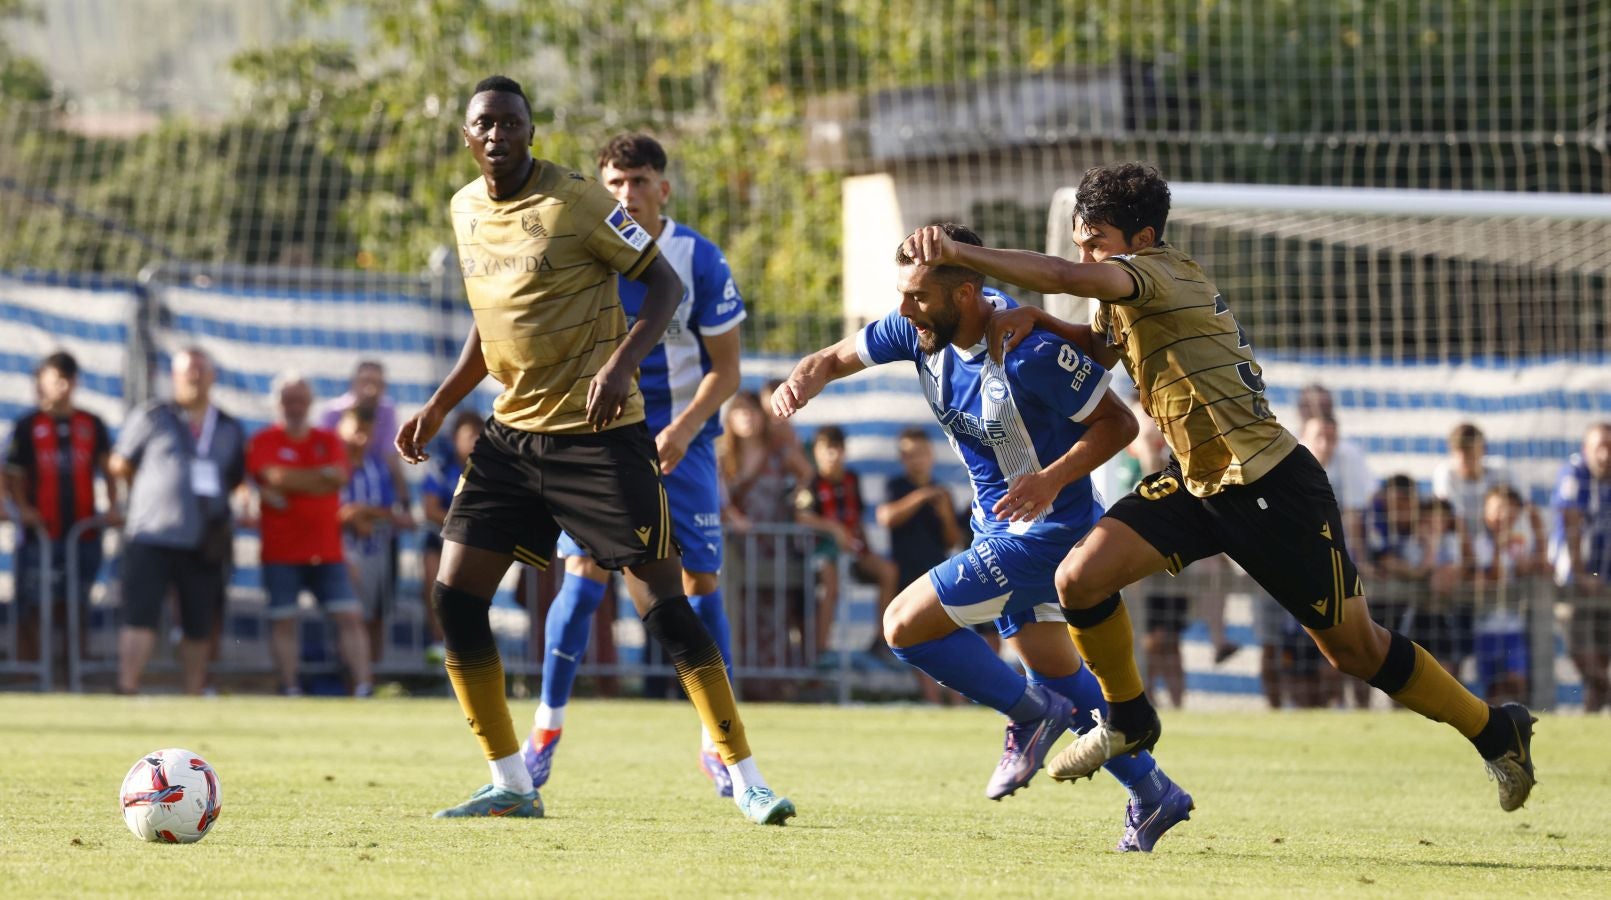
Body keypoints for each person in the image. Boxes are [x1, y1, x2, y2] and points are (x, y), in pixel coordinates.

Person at [908, 162, 1536, 813]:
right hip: (1198, 482)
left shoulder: (1157, 271)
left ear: (1142, 236)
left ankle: (1495, 728)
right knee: (1079, 579)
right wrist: (1044, 326)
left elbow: (1065, 279)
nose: (1083, 256)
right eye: (1078, 242)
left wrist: (959, 253)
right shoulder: (1121, 296)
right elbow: (1098, 346)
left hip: (1269, 485)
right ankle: (1127, 718)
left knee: (1355, 649)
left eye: (1094, 241)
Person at [396, 76, 792, 824]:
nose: (497, 134)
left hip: (601, 440)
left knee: (667, 608)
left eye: (510, 122)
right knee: (455, 599)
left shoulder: (577, 202)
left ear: (529, 130)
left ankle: (744, 775)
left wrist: (616, 366)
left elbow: (664, 285)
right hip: (511, 438)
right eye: (484, 124)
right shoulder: (463, 208)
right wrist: (439, 405)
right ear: (465, 134)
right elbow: (491, 327)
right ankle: (512, 779)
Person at [774, 222, 1191, 853]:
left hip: (1048, 535)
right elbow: (831, 358)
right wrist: (801, 381)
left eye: (917, 295)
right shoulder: (916, 331)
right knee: (1059, 674)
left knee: (903, 626)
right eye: (902, 294)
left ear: (966, 292)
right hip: (997, 528)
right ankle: (1155, 792)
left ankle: (1027, 714)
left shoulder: (1029, 351)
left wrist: (1051, 479)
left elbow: (1118, 424)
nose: (904, 308)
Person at [525, 133, 748, 798]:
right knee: (583, 571)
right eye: (614, 184)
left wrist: (681, 429)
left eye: (638, 182)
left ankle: (716, 741)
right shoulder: (581, 253)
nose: (626, 195)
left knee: (700, 580)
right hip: (600, 445)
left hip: (684, 445)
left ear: (663, 189)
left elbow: (727, 370)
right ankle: (545, 730)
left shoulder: (698, 260)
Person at [108, 348, 247, 696]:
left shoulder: (228, 426)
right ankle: (127, 688)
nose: (195, 377)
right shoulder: (154, 415)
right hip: (152, 533)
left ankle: (193, 692)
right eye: (188, 371)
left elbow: (233, 476)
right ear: (175, 376)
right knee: (139, 615)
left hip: (203, 538)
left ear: (213, 376)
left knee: (199, 622)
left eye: (201, 370)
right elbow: (119, 462)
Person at [246, 372, 372, 697]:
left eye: (300, 400)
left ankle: (363, 686)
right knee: (284, 620)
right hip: (281, 550)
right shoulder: (263, 440)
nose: (295, 406)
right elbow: (270, 476)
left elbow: (337, 477)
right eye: (289, 400)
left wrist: (287, 483)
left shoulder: (328, 440)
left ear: (310, 402)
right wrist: (318, 479)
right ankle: (290, 687)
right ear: (278, 403)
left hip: (327, 549)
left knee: (349, 616)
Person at [2, 351, 120, 668]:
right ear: (42, 382)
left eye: (68, 379)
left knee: (77, 603)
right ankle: (34, 669)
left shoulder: (91, 424)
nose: (62, 387)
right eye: (55, 379)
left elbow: (108, 468)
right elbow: (10, 473)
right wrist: (21, 508)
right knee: (34, 603)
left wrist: (112, 506)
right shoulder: (26, 426)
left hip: (83, 532)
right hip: (40, 533)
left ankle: (73, 669)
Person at [794, 425, 900, 658]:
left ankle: (881, 640)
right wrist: (833, 529)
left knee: (888, 572)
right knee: (831, 586)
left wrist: (864, 546)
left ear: (844, 451)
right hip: (822, 551)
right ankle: (821, 651)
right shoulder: (811, 482)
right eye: (826, 450)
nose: (831, 456)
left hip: (853, 549)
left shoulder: (852, 479)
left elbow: (858, 518)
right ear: (816, 453)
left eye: (836, 449)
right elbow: (801, 515)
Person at [877, 426, 966, 703]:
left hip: (936, 575)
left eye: (920, 453)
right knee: (916, 640)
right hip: (906, 576)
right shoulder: (896, 487)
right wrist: (921, 497)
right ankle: (933, 702)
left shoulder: (943, 493)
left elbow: (953, 539)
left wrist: (945, 514)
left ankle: (958, 701)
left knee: (947, 639)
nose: (916, 460)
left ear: (931, 455)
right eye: (909, 455)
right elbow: (886, 517)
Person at [337, 406, 412, 670]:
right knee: (347, 617)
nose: (361, 439)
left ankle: (372, 675)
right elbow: (325, 509)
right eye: (356, 431)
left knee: (375, 616)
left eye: (367, 433)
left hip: (375, 552)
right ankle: (352, 678)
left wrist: (360, 512)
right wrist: (350, 516)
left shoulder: (378, 469)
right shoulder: (333, 465)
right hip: (339, 554)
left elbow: (389, 511)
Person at [1552, 422, 1611, 711]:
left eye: (1610, 448)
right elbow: (1571, 521)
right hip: (1572, 582)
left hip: (1606, 582)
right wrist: (1579, 573)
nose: (1605, 455)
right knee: (1582, 655)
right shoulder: (1575, 473)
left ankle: (1594, 721)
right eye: (1599, 447)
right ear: (1585, 449)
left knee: (1601, 658)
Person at [419, 411, 485, 665]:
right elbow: (430, 508)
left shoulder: (488, 469)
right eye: (469, 435)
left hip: (475, 543)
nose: (475, 441)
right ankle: (438, 640)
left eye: (480, 435)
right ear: (455, 438)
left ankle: (472, 644)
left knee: (472, 595)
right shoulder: (440, 465)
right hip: (440, 539)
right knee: (435, 585)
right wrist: (461, 525)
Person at [1433, 423, 1513, 537]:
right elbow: (1454, 516)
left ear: (1483, 449)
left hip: (1495, 540)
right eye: (1461, 453)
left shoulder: (1501, 470)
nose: (1466, 458)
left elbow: (1523, 508)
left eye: (1471, 452)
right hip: (1459, 543)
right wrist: (1469, 551)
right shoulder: (1445, 474)